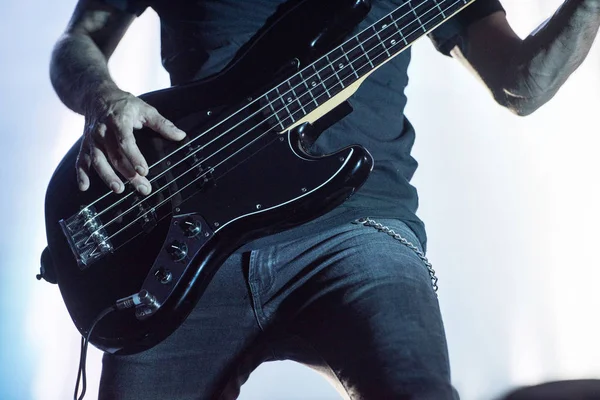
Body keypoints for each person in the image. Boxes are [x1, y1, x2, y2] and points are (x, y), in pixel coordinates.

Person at [49, 0, 600, 399]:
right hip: (176, 237)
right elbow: (77, 42)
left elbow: (520, 83)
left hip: (357, 230)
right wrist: (104, 100)